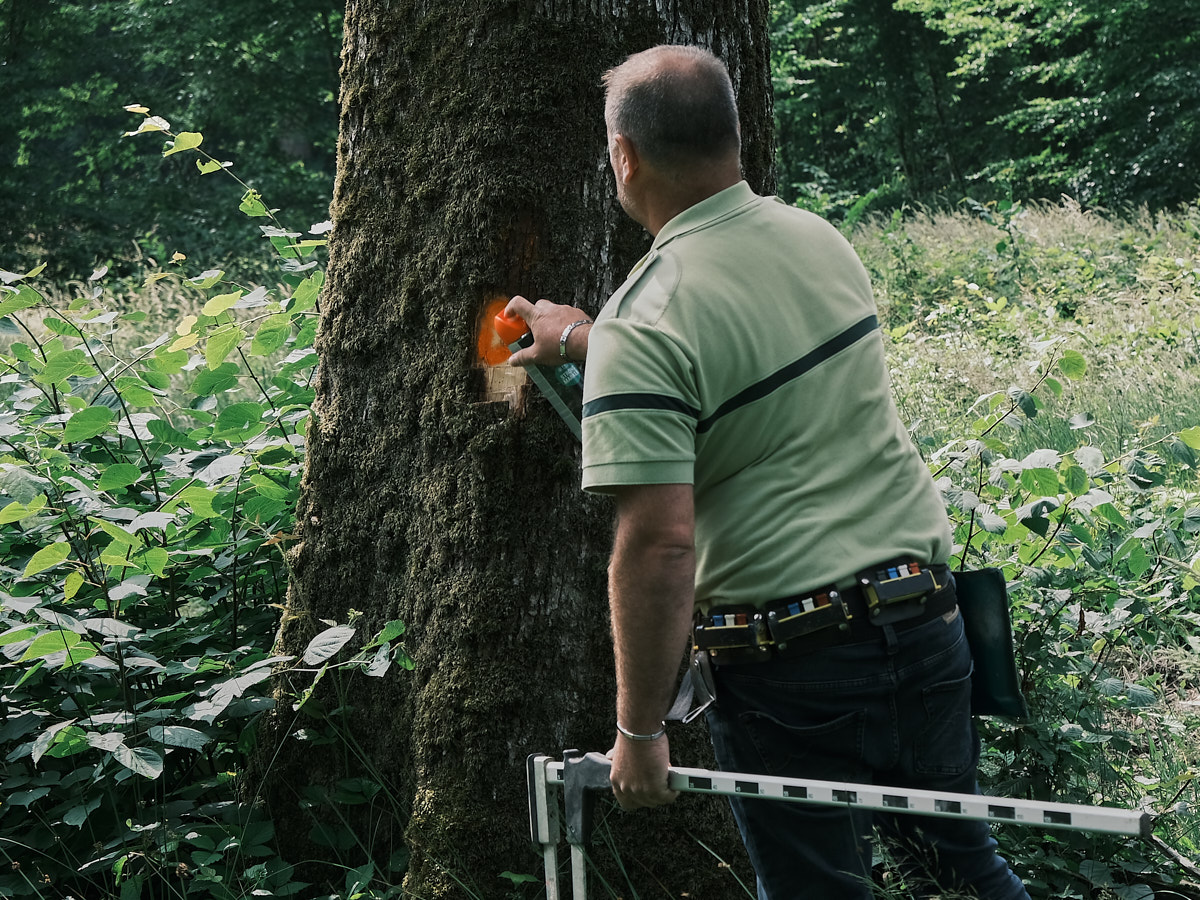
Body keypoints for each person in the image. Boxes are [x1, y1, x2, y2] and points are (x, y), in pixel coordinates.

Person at [505, 44, 1030, 900]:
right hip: (925, 622)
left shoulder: (650, 318)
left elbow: (659, 544)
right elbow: (729, 357)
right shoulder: (816, 240)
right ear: (733, 133)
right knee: (963, 873)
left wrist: (639, 732)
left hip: (796, 669)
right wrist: (583, 339)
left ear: (624, 157)